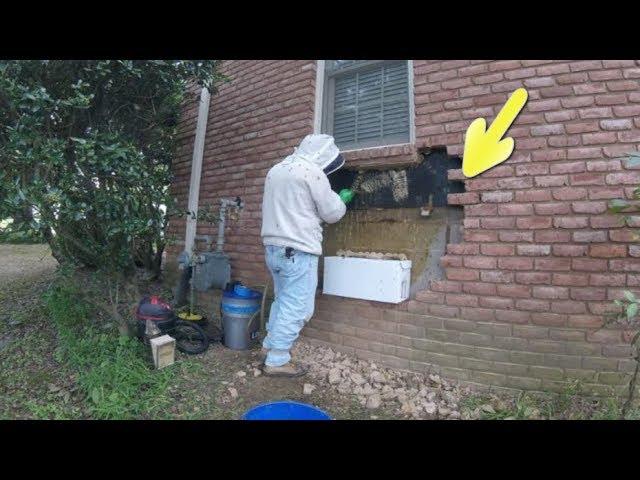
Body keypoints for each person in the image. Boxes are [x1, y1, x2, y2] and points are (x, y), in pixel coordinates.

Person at [259, 134, 355, 377]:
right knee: (299, 308)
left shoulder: (276, 170)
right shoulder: (312, 172)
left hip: (273, 249)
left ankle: (269, 345)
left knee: (283, 300)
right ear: (322, 155)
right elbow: (331, 213)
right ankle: (277, 360)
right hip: (298, 251)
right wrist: (341, 200)